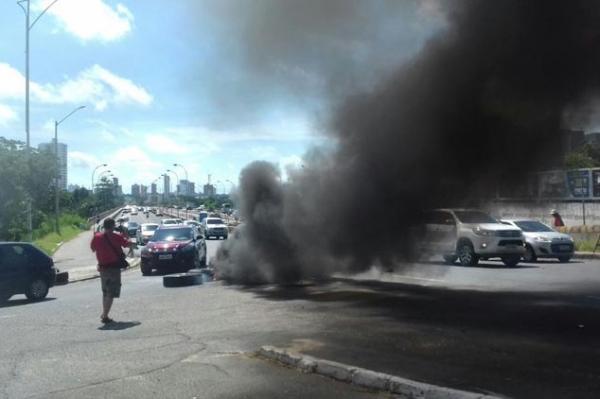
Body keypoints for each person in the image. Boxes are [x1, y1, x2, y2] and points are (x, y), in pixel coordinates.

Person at [90, 217, 130, 324]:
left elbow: (93, 249)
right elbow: (128, 244)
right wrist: (125, 234)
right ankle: (105, 316)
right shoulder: (116, 236)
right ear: (112, 226)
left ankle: (104, 313)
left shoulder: (97, 237)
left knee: (105, 292)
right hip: (113, 268)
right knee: (111, 293)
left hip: (102, 268)